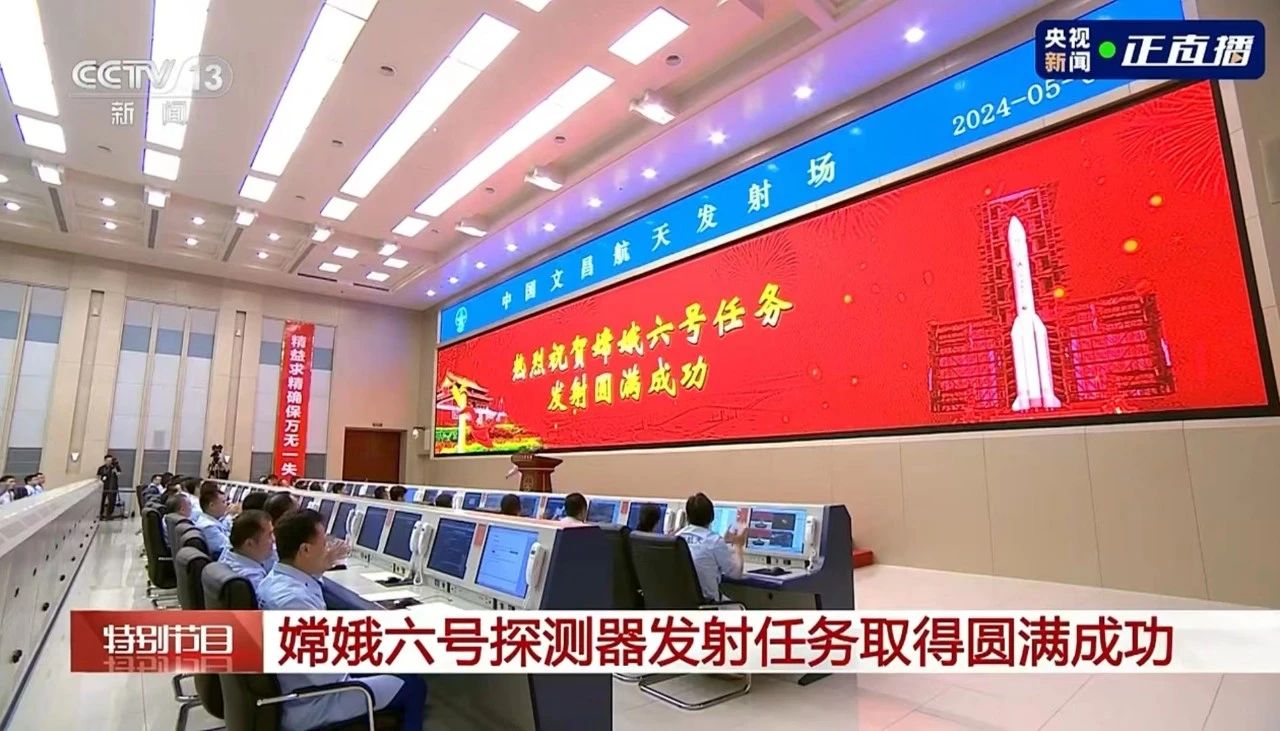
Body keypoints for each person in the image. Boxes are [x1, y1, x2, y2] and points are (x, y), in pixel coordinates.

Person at [257, 510, 426, 731]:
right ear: (305, 550)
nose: (328, 547)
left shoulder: (274, 581)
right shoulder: (294, 603)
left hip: (300, 683)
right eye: (323, 543)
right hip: (313, 700)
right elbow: (328, 674)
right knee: (413, 686)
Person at [675, 493, 746, 602]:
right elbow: (736, 573)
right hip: (707, 604)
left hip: (679, 602)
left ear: (687, 517)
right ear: (712, 517)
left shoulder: (676, 538)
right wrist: (738, 545)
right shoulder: (713, 541)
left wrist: (724, 543)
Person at [217, 510, 274, 591]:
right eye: (269, 535)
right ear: (249, 543)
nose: (273, 540)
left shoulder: (228, 553)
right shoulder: (252, 578)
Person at [193, 482, 240, 557]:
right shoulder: (208, 527)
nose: (227, 504)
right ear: (212, 505)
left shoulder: (209, 520)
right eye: (223, 502)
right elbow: (228, 546)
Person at [96, 454, 120, 519]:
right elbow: (98, 477)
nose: (109, 462)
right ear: (105, 460)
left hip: (112, 487)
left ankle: (109, 514)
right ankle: (101, 513)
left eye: (110, 460)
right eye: (108, 460)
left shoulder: (114, 467)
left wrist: (115, 470)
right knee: (102, 500)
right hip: (103, 486)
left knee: (111, 501)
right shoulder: (101, 468)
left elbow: (118, 474)